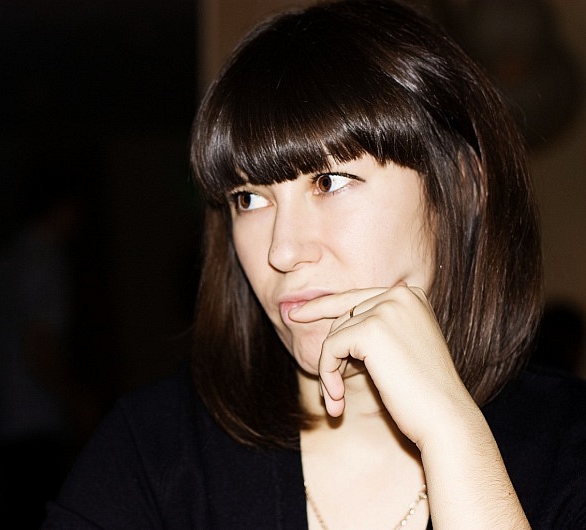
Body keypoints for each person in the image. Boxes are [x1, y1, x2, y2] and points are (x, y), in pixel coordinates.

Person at [42, 0, 586, 528]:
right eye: (249, 199)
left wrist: (452, 433)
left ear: (462, 186)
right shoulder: (154, 452)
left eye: (329, 182)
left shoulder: (569, 447)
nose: (280, 251)